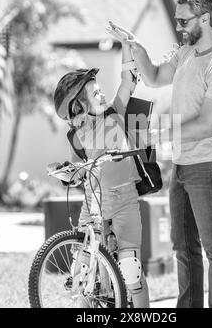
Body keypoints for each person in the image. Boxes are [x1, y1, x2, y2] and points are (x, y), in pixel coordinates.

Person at [108, 0, 212, 308]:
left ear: (205, 18)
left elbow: (207, 124)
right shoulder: (186, 53)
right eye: (177, 20)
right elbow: (152, 76)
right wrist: (133, 44)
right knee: (183, 247)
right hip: (183, 164)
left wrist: (160, 132)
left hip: (209, 165)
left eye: (184, 21)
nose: (179, 28)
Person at [49, 24, 149, 308]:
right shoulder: (76, 135)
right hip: (92, 204)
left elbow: (128, 79)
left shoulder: (115, 112)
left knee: (131, 271)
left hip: (125, 201)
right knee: (81, 275)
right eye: (95, 94)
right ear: (79, 108)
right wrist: (69, 172)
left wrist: (126, 43)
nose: (102, 95)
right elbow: (81, 168)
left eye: (100, 90)